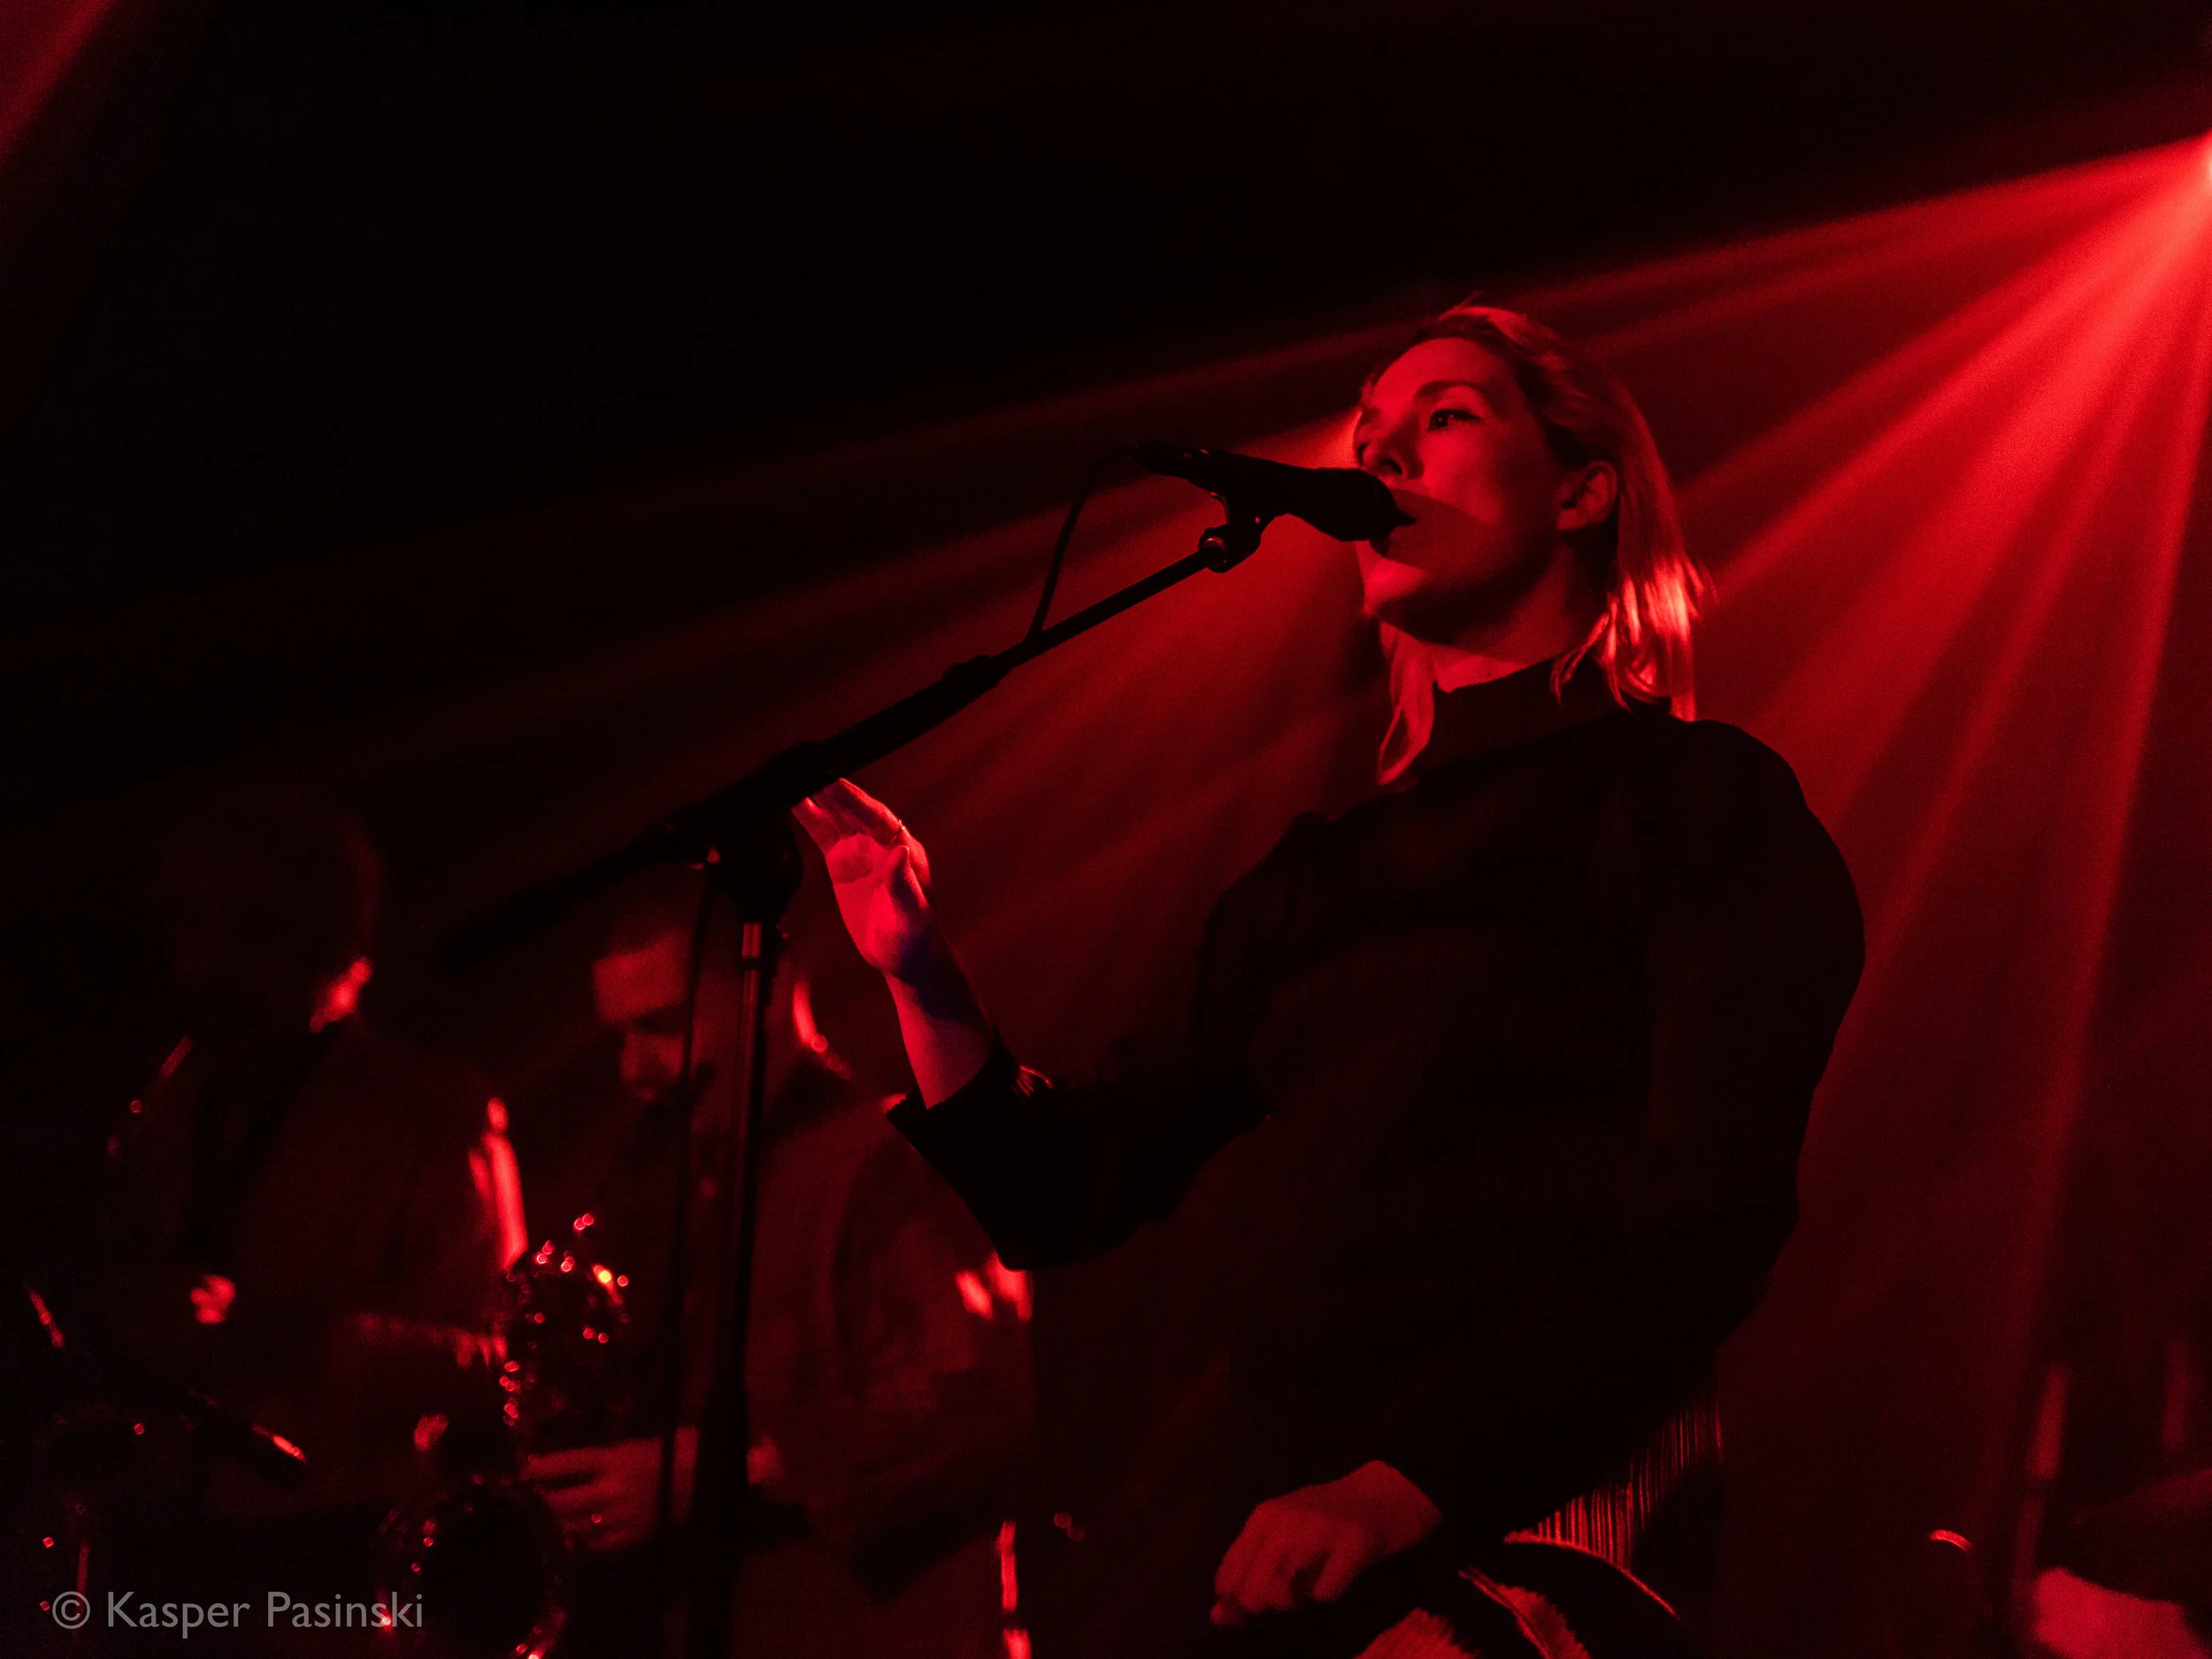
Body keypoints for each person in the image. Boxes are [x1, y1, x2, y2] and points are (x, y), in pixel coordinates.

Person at [795, 303, 1866, 1657]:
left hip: (1550, 1519)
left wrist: (1404, 1481)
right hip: (1295, 1532)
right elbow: (1062, 1186)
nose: (1386, 457)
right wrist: (920, 970)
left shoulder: (1698, 802)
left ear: (1584, 490)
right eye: (1368, 439)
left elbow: (1706, 1224)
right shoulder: (1322, 875)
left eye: (1446, 417)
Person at [518, 869, 1031, 1659]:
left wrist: (711, 1470)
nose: (632, 1070)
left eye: (662, 1026)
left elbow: (971, 1414)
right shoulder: (680, 1182)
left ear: (771, 987)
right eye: (620, 1036)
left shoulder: (892, 1158)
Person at [90, 783, 521, 1644]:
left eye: (255, 928)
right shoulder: (174, 1103)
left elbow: (501, 1368)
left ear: (334, 940)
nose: (210, 963)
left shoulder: (430, 1110)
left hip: (330, 1555)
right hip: (163, 1539)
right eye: (191, 923)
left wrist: (283, 1334)